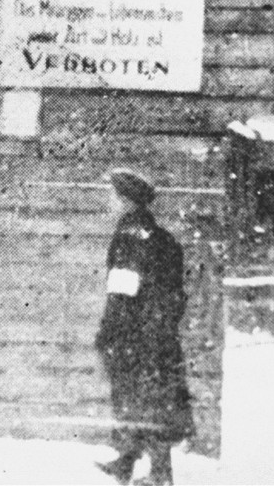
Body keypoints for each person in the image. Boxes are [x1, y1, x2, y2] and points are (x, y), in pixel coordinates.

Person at [94, 169, 193, 486]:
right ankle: (126, 462)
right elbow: (176, 295)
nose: (108, 202)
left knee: (139, 400)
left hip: (134, 337)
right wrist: (160, 327)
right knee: (154, 399)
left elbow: (122, 293)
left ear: (125, 201)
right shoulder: (162, 238)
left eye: (111, 196)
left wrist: (109, 334)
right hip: (159, 335)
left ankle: (161, 475)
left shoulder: (128, 238)